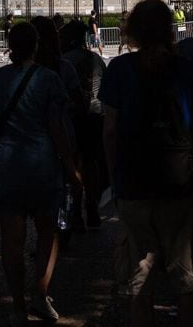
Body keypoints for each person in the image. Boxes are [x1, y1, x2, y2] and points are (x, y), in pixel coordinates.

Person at [99, 0, 193, 327]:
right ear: (169, 29)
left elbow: (110, 131)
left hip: (133, 183)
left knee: (141, 274)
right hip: (177, 182)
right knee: (188, 275)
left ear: (132, 31)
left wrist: (114, 177)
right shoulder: (187, 70)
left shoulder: (119, 69)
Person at [0, 22, 81, 327]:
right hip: (42, 161)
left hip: (6, 162)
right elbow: (58, 129)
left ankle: (18, 305)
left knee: (11, 239)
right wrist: (72, 169)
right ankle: (40, 292)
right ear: (36, 45)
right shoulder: (49, 79)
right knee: (48, 231)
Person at [60, 19, 107, 230]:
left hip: (72, 117)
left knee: (73, 163)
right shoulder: (97, 59)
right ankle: (92, 206)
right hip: (95, 115)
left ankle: (76, 210)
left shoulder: (64, 61)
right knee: (91, 162)